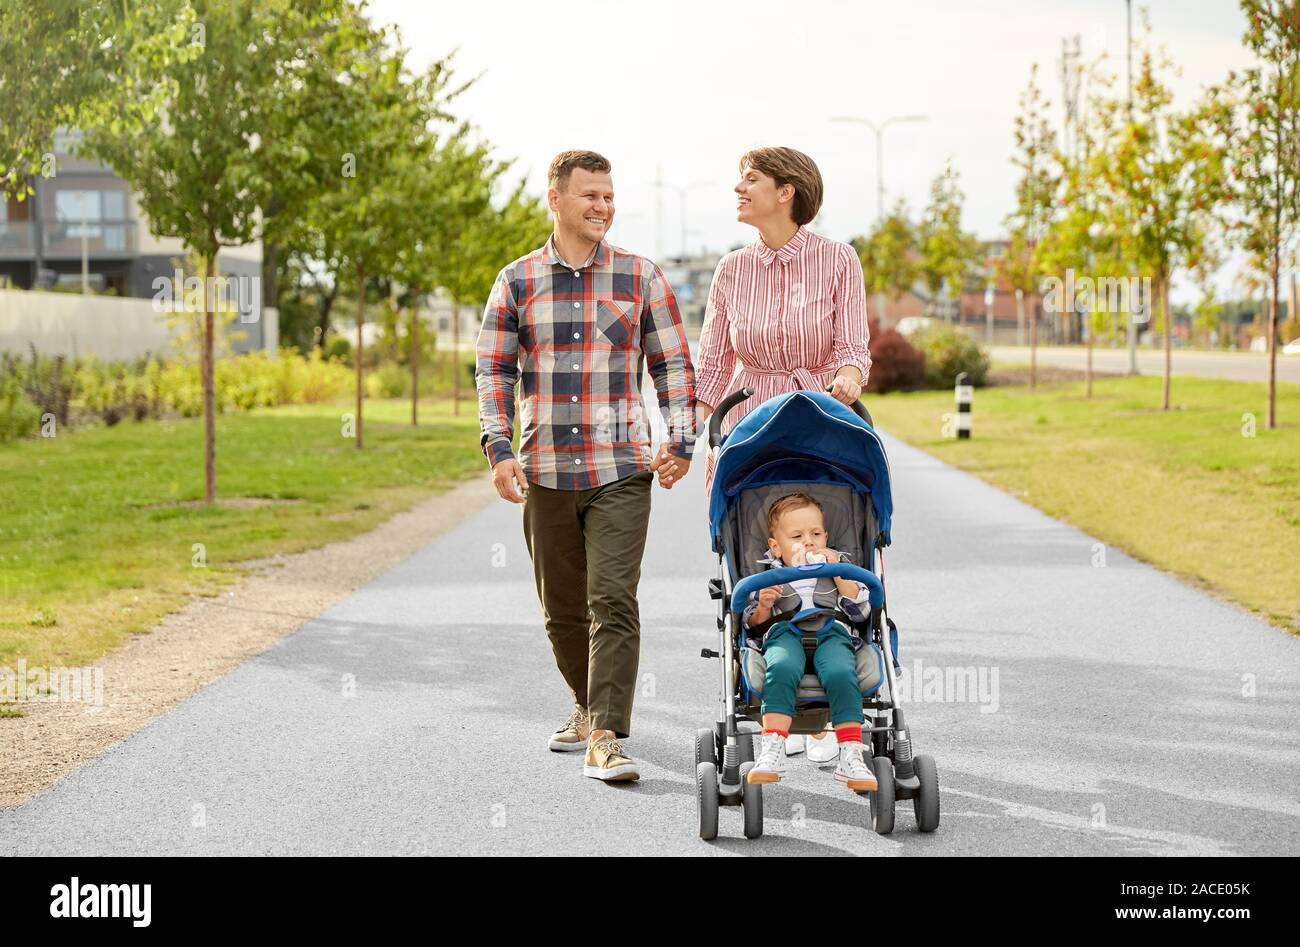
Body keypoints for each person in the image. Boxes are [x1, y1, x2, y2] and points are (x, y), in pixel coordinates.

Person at [475, 149, 697, 783]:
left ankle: (605, 736)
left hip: (621, 467)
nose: (603, 207)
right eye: (590, 196)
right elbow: (493, 370)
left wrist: (680, 439)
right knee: (562, 610)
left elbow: (674, 367)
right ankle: (585, 701)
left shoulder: (640, 277)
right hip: (545, 467)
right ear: (556, 199)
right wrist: (498, 448)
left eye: (609, 196)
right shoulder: (516, 281)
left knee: (613, 599)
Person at [653, 145, 872, 759]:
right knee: (757, 552)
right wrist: (685, 440)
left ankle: (833, 713)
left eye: (749, 180)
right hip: (749, 429)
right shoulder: (731, 270)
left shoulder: (837, 260)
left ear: (787, 192)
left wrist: (850, 378)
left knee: (826, 541)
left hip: (821, 420)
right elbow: (714, 369)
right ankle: (775, 687)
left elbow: (854, 344)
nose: (737, 190)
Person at [741, 493, 877, 791]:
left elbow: (861, 611)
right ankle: (773, 745)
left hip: (833, 631)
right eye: (797, 536)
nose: (809, 542)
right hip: (784, 631)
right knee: (782, 667)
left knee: (843, 673)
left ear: (826, 536)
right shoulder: (767, 576)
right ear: (775, 546)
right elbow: (750, 625)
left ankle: (851, 754)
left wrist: (838, 570)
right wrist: (764, 606)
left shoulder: (841, 567)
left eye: (816, 534)